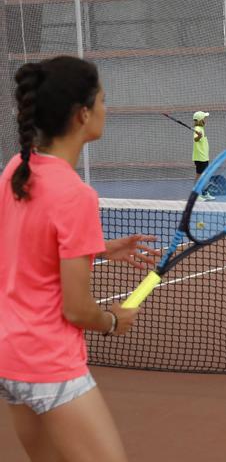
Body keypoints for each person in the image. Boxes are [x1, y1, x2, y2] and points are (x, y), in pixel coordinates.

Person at [1, 56, 161, 460]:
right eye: (103, 100)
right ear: (82, 114)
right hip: (50, 362)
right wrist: (112, 321)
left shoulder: (15, 168)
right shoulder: (76, 195)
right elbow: (76, 310)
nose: (107, 109)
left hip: (10, 357)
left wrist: (100, 247)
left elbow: (24, 247)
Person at [192, 110, 213, 200]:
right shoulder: (197, 129)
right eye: (204, 118)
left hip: (204, 157)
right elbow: (196, 139)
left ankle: (204, 193)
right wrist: (199, 136)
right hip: (200, 158)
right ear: (201, 120)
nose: (206, 120)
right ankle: (195, 195)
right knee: (199, 175)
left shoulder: (201, 129)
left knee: (205, 175)